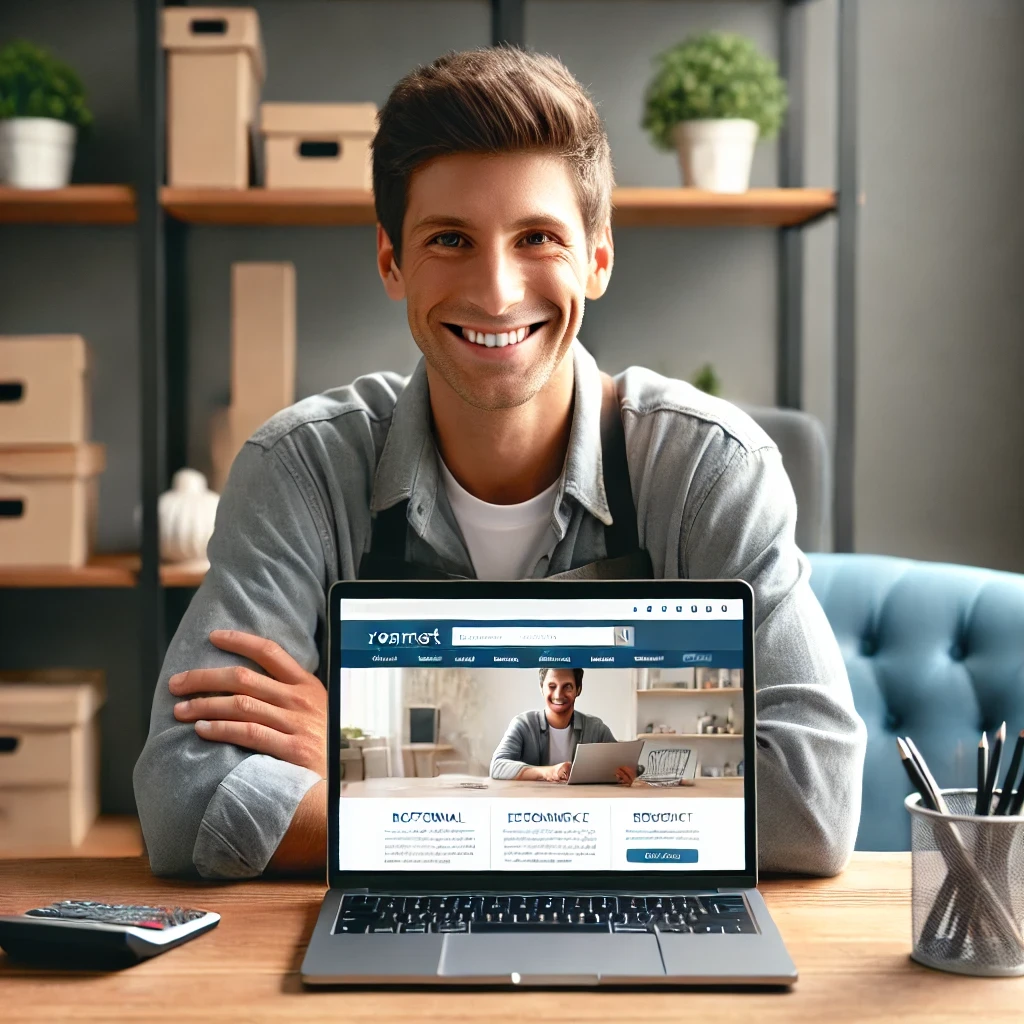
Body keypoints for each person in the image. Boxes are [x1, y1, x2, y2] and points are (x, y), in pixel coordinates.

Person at [133, 46, 866, 881]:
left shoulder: (711, 469)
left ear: (597, 256)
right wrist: (595, 800)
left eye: (537, 237)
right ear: (390, 260)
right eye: (449, 238)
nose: (495, 291)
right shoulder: (297, 469)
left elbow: (813, 802)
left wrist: (374, 768)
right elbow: (184, 799)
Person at [490, 668, 636, 785]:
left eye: (567, 687)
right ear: (542, 688)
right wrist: (548, 772)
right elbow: (497, 766)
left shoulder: (595, 728)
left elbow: (631, 766)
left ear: (578, 690)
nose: (558, 695)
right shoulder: (523, 724)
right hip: (533, 807)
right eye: (552, 686)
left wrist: (630, 773)